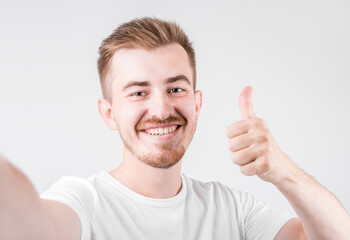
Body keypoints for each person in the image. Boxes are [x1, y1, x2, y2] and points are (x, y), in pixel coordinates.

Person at [0, 17, 349, 240]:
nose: (162, 108)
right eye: (139, 92)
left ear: (197, 104)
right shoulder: (84, 202)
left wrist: (283, 171)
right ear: (108, 113)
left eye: (175, 88)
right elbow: (33, 229)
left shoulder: (233, 211)